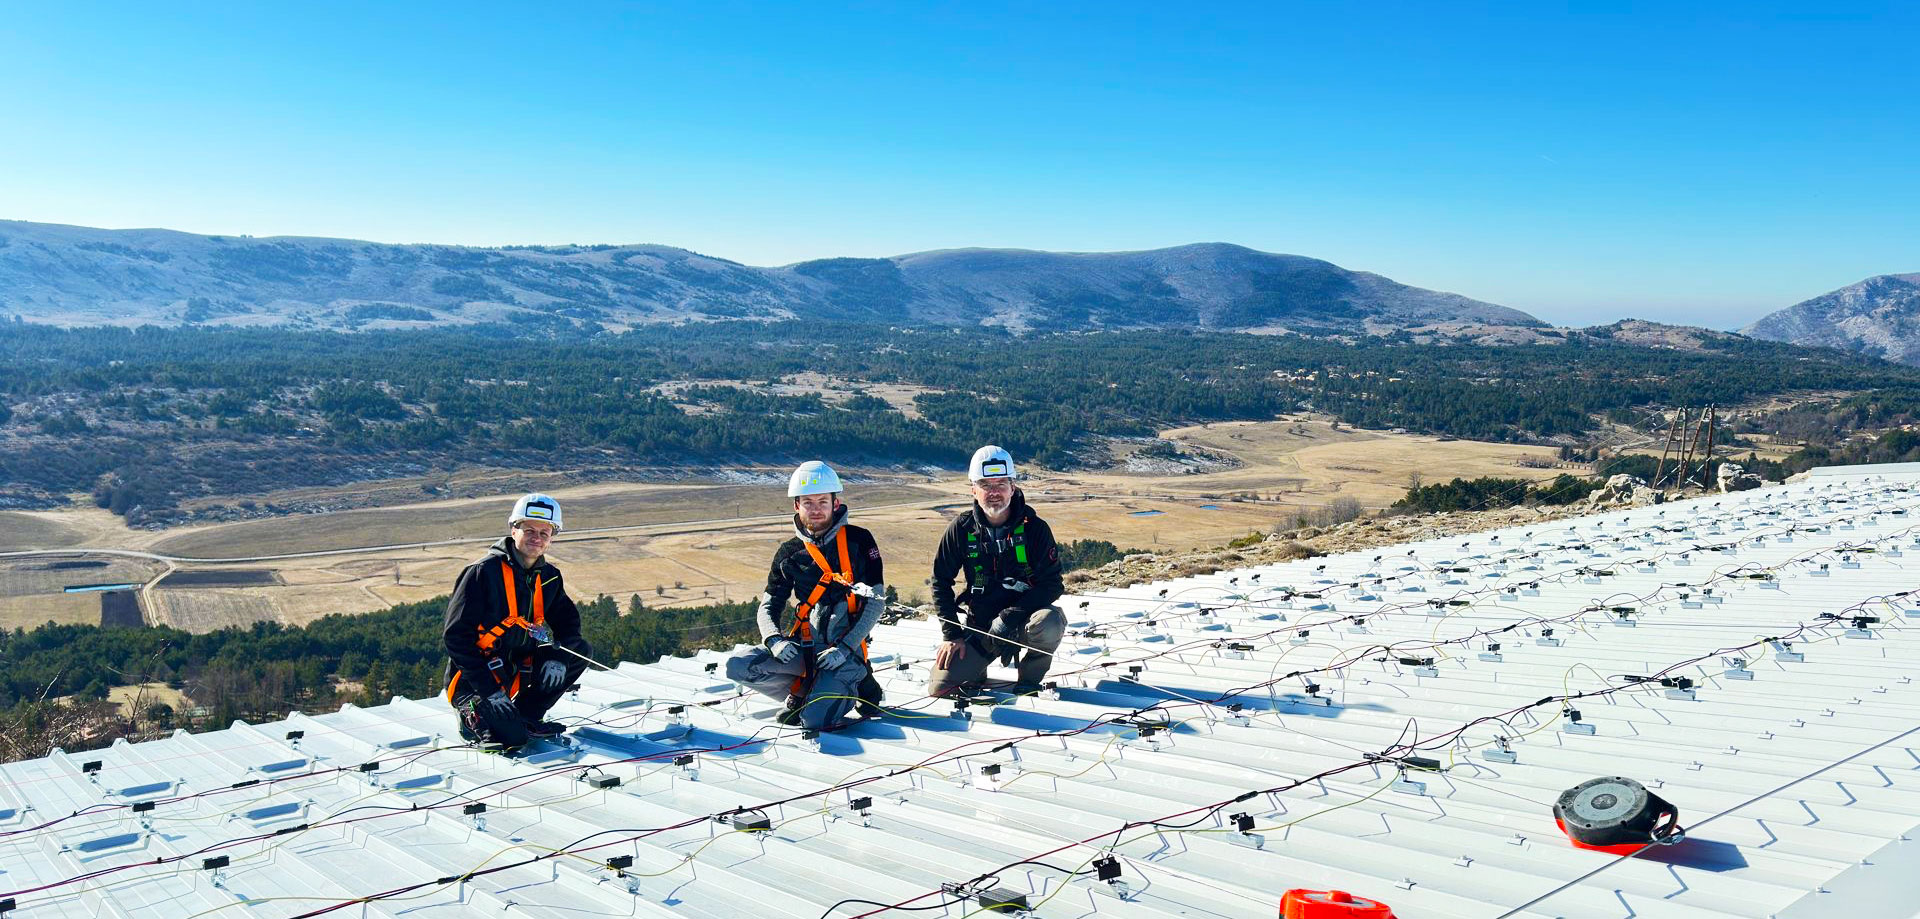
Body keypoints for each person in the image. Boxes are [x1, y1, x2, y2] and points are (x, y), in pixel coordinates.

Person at [724, 461, 886, 731]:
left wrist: (845, 649)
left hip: (844, 652)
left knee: (813, 722)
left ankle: (856, 682)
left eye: (823, 501)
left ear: (836, 503)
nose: (816, 509)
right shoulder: (789, 553)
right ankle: (810, 692)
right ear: (796, 506)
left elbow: (875, 603)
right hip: (806, 647)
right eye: (808, 502)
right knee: (739, 666)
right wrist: (774, 640)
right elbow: (769, 604)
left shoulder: (859, 541)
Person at [443, 493, 592, 749]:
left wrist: (559, 659)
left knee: (579, 651)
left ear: (551, 538)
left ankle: (527, 715)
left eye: (545, 533)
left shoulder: (549, 577)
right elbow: (456, 638)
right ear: (513, 529)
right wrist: (488, 690)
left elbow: (568, 624)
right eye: (529, 530)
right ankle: (474, 716)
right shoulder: (482, 573)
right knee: (512, 740)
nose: (537, 538)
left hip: (517, 665)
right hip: (478, 675)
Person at [927, 445, 1065, 696]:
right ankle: (975, 674)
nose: (994, 492)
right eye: (986, 485)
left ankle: (1029, 680)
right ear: (973, 489)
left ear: (1013, 487)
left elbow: (1053, 583)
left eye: (1001, 484)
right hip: (982, 627)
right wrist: (952, 634)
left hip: (1024, 622)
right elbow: (940, 581)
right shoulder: (961, 529)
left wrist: (1010, 617)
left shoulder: (1035, 529)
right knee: (942, 688)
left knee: (1050, 622)